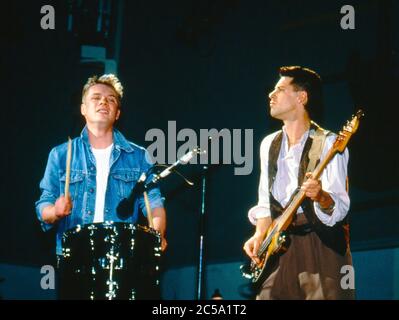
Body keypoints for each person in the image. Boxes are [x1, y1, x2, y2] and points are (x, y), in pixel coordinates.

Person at [35, 74, 167, 298]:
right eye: (96, 97)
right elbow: (42, 206)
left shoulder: (139, 157)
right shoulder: (60, 154)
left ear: (117, 114)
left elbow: (154, 205)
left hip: (123, 260)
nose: (104, 102)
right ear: (83, 108)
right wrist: (55, 211)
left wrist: (157, 235)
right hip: (74, 258)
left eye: (111, 99)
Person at [243, 66, 355, 300]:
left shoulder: (328, 142)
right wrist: (259, 236)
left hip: (319, 242)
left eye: (280, 89)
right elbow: (265, 202)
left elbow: (340, 207)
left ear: (301, 97)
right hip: (279, 245)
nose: (271, 95)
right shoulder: (268, 144)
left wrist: (320, 196)